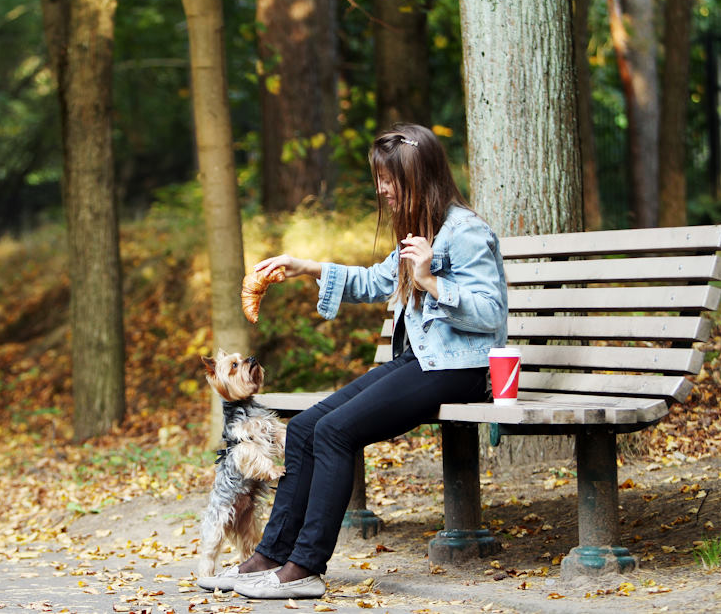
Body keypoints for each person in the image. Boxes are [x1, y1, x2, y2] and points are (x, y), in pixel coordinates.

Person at [198, 123, 508, 600]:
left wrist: (428, 280)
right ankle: (270, 555)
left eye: (390, 180)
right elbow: (375, 280)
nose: (382, 189)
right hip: (422, 361)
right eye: (380, 179)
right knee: (303, 428)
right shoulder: (421, 226)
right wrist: (305, 267)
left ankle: (305, 568)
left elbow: (490, 312)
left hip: (462, 369)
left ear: (420, 176)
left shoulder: (465, 231)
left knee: (336, 431)